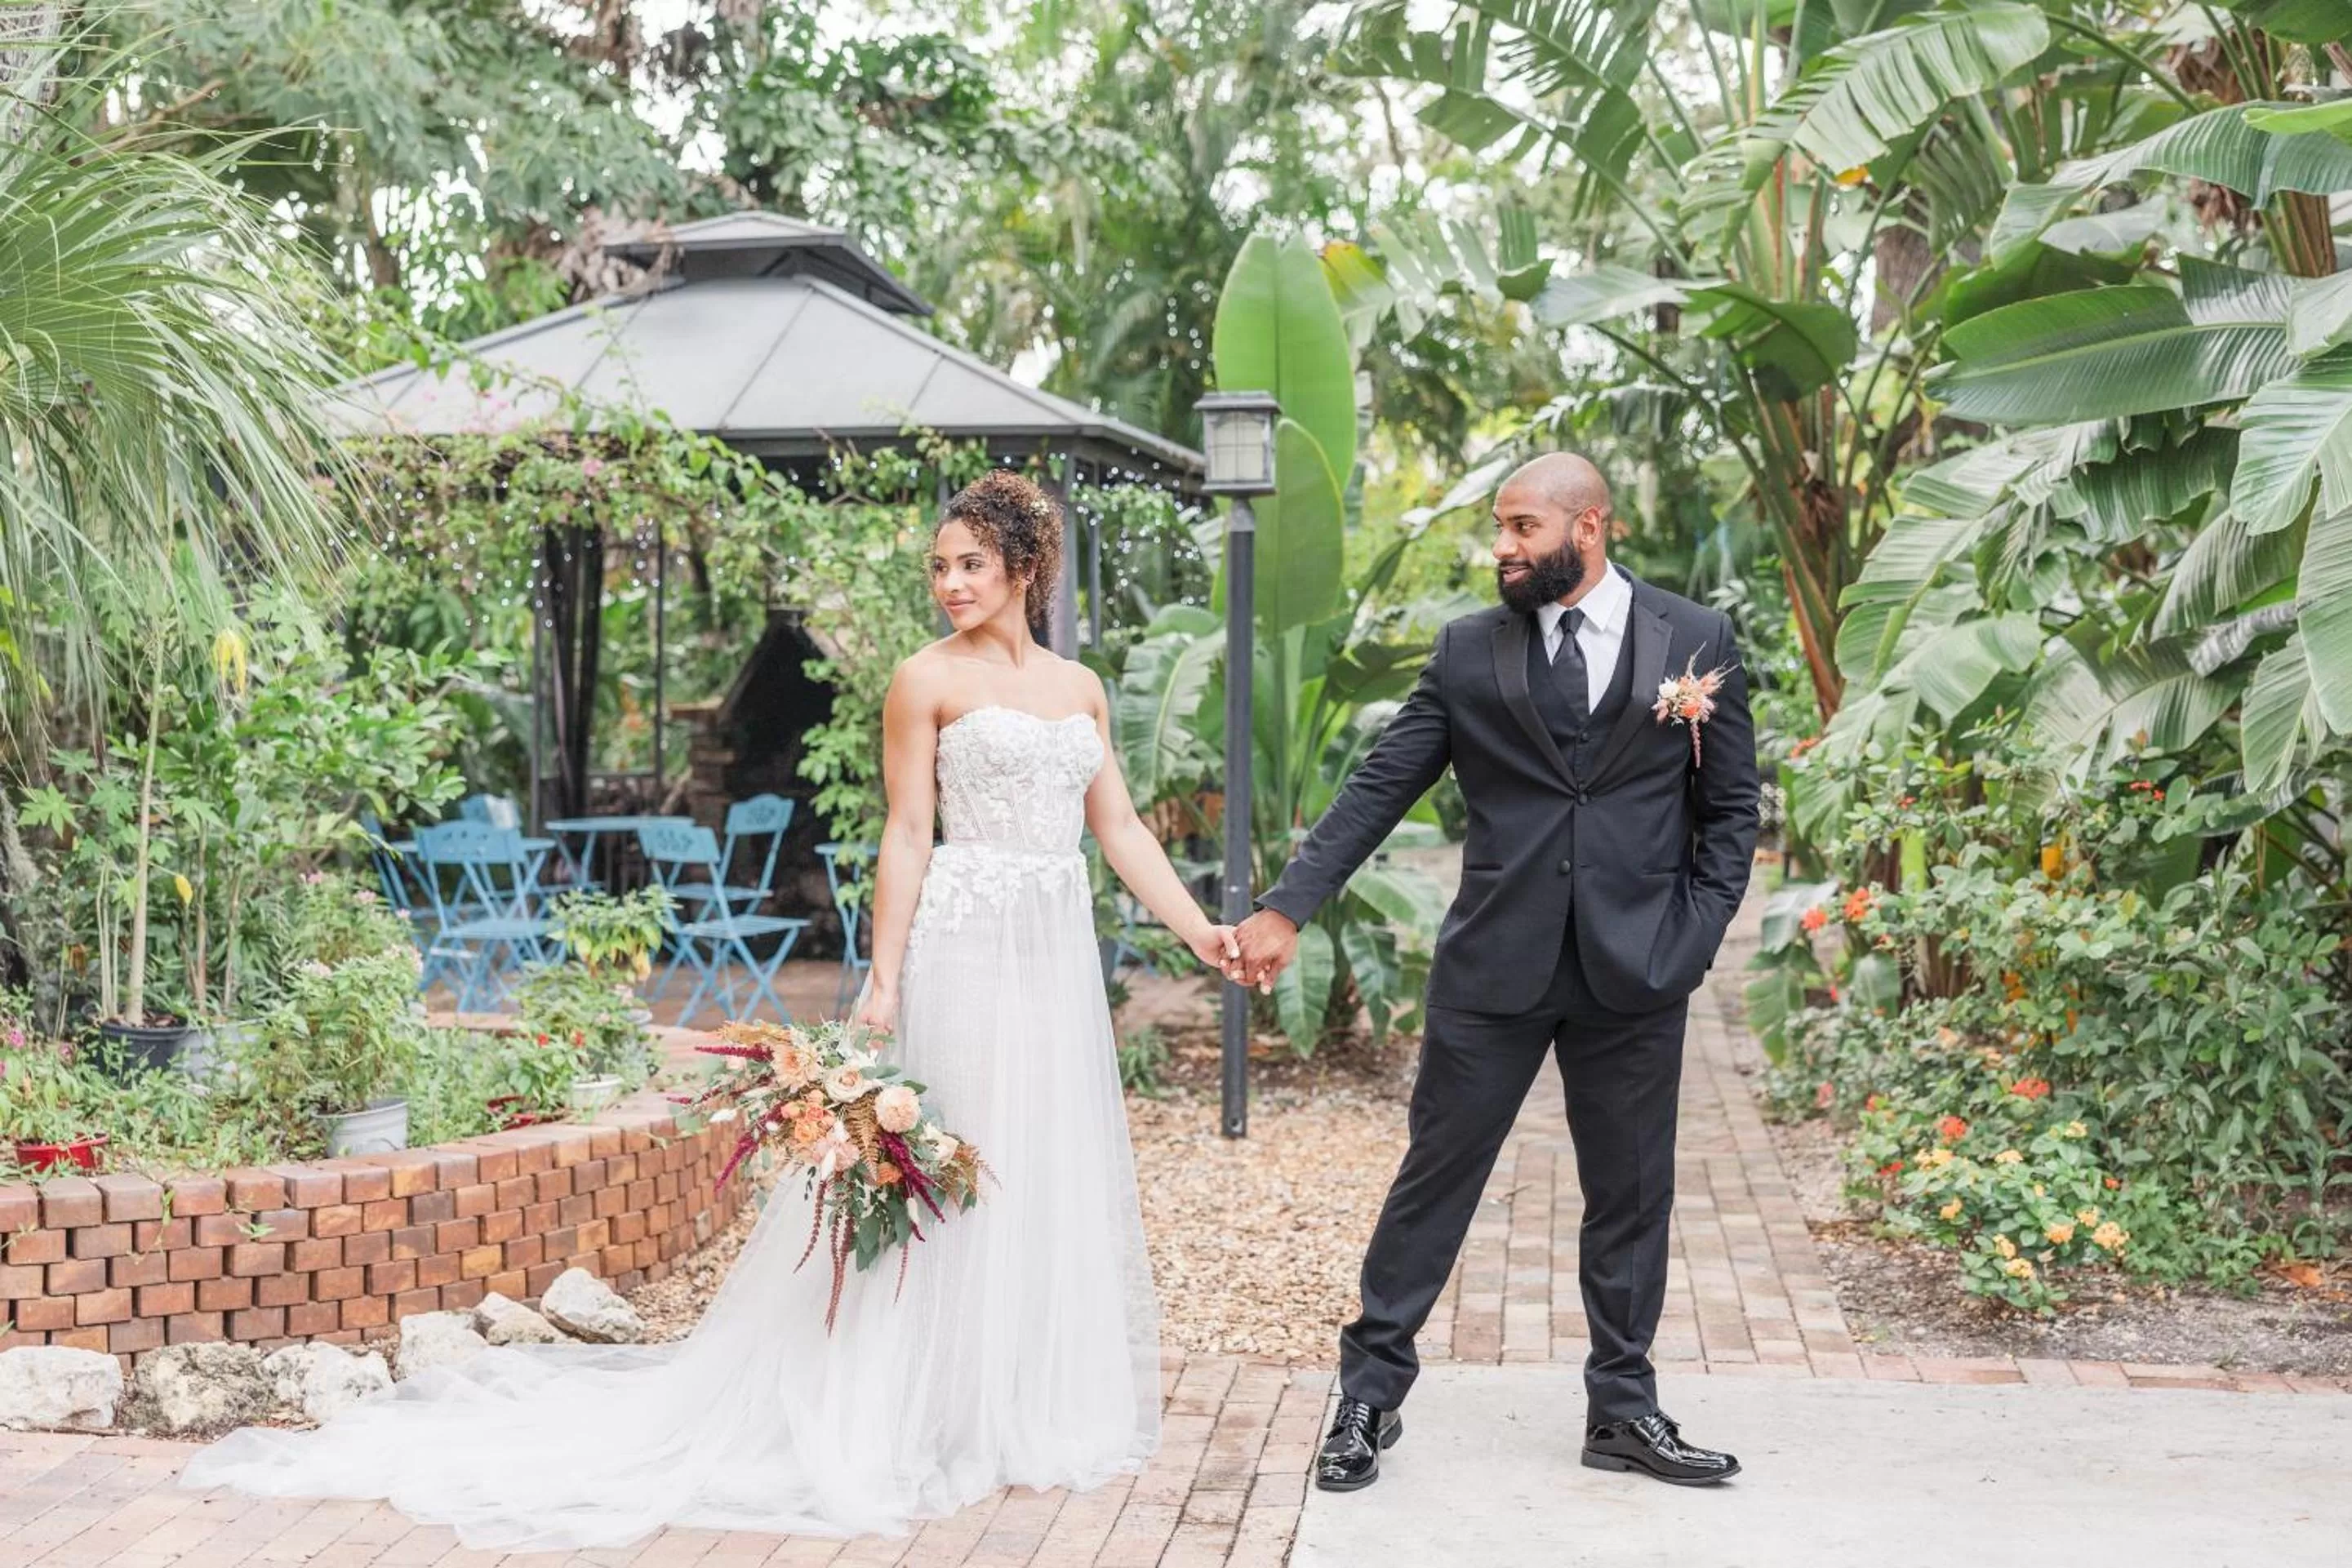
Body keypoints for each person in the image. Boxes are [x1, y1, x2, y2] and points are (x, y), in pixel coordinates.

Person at [181, 470, 1243, 1551]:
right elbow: (910, 834)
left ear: (1025, 567)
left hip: (1050, 950)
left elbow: (1117, 829)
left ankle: (1015, 1399)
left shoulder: (1082, 689)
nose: (949, 583)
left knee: (1038, 1160)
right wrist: (881, 981)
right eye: (937, 565)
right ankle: (919, 1403)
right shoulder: (922, 681)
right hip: (965, 942)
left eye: (970, 563)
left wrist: (1199, 930)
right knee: (951, 1163)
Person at [1229, 453, 1760, 1493]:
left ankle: (1624, 1408)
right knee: (1435, 1179)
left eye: (1522, 527)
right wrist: (1285, 905)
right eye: (1500, 529)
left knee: (1631, 1195)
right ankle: (1367, 1402)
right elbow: (1382, 782)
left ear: (1589, 526)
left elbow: (1732, 808)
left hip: (1637, 968)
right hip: (1494, 967)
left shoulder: (1692, 639)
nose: (1503, 548)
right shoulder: (1470, 650)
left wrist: (1690, 936)